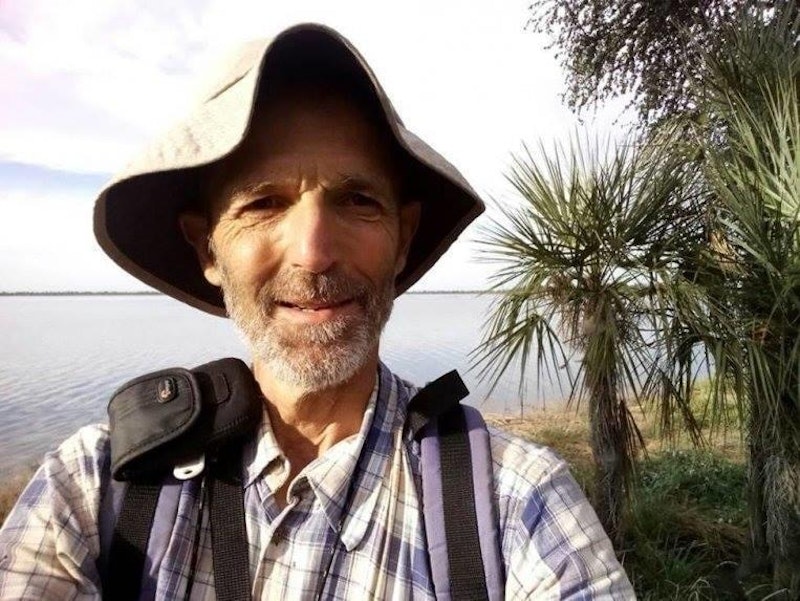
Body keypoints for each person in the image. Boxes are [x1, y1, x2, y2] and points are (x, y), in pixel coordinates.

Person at [0, 24, 635, 600]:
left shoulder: (515, 503)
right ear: (207, 250)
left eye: (357, 201)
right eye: (263, 204)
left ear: (403, 240)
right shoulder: (98, 487)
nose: (313, 252)